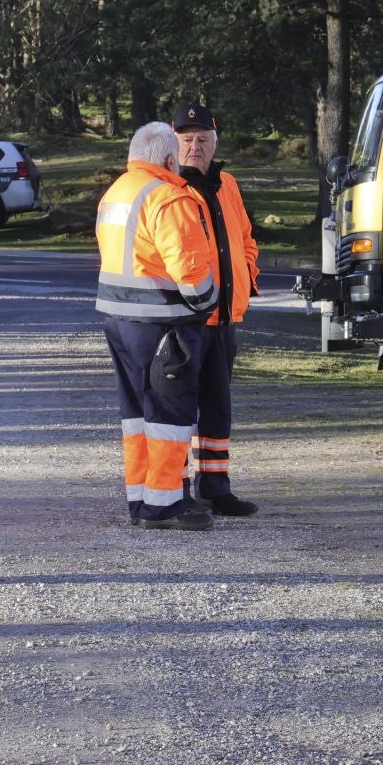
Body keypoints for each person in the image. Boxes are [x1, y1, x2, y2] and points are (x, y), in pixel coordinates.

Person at [95, 122, 221, 531]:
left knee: (136, 415)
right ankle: (164, 505)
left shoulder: (117, 192)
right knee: (170, 412)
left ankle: (142, 498)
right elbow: (188, 268)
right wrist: (208, 303)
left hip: (120, 321)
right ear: (170, 158)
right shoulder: (168, 197)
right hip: (164, 323)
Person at [172, 104, 262, 517]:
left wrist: (248, 278)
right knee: (177, 409)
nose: (195, 146)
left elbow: (245, 237)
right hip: (185, 320)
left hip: (224, 318)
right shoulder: (168, 187)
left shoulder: (227, 183)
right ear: (173, 144)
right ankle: (177, 489)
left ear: (214, 142)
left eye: (202, 139)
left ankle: (216, 487)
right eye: (187, 139)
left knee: (217, 408)